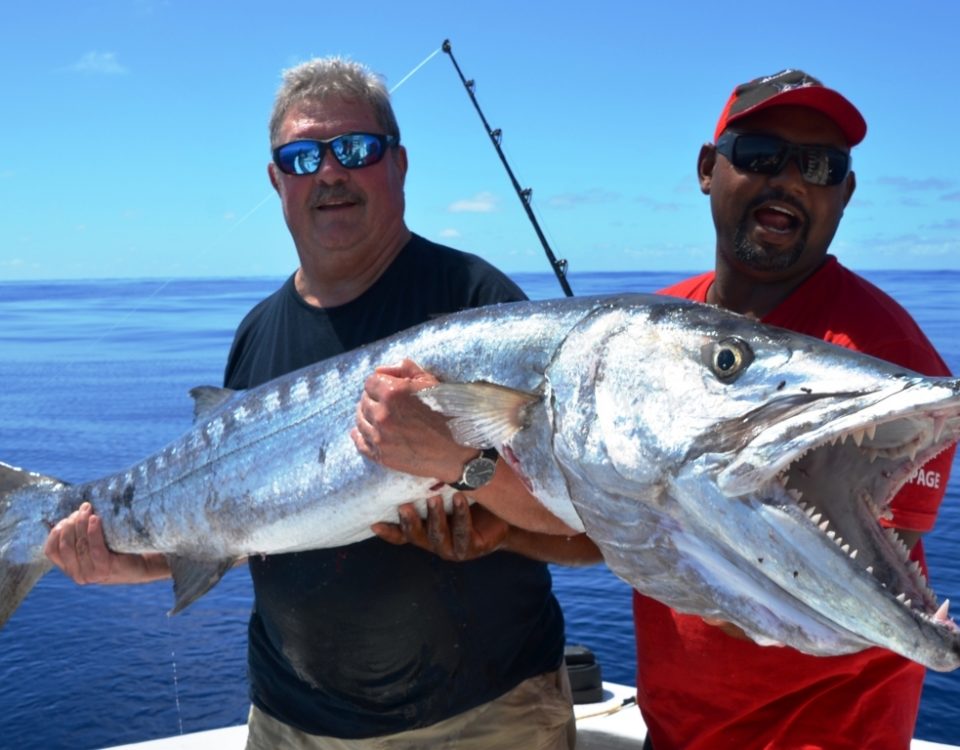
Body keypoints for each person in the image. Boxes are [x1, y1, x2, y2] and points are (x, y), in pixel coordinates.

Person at [357, 69, 956, 750]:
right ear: (709, 170)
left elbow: (829, 597)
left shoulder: (884, 362)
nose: (790, 179)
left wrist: (471, 466)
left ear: (846, 193)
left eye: (821, 166)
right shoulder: (656, 330)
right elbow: (628, 523)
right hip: (676, 733)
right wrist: (516, 532)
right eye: (761, 154)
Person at [43, 56, 582, 749]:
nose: (329, 172)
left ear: (400, 165)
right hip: (291, 723)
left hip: (484, 717)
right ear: (277, 180)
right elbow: (245, 525)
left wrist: (464, 466)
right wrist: (131, 559)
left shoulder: (479, 307)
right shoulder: (258, 333)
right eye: (301, 157)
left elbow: (584, 524)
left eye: (355, 149)